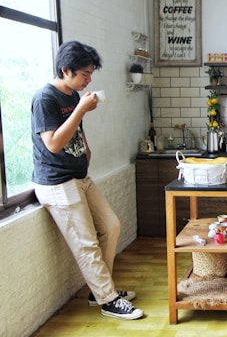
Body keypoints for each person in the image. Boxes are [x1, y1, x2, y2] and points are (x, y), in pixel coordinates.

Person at [31, 41, 144, 320]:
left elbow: (75, 132)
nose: (89, 79)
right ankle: (107, 299)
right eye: (85, 73)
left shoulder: (72, 94)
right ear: (65, 69)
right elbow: (54, 144)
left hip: (80, 176)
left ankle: (99, 290)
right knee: (86, 244)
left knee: (111, 226)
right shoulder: (45, 98)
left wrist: (86, 151)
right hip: (57, 183)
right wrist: (81, 109)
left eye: (91, 73)